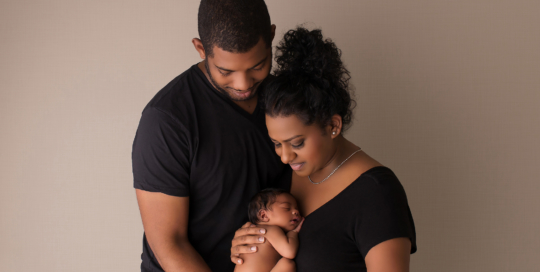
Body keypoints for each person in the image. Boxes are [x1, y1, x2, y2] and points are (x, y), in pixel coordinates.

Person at [231, 27, 417, 271]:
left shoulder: (376, 194)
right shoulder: (281, 179)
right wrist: (247, 245)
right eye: (277, 143)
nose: (285, 157)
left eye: (297, 143)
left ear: (333, 125)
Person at [131, 1, 290, 271]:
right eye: (226, 71)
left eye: (257, 66)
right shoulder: (167, 120)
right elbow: (170, 243)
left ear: (272, 36)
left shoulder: (287, 102)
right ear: (201, 49)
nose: (244, 84)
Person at [234, 189, 304, 272]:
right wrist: (293, 233)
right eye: (287, 208)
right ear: (263, 215)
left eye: (297, 209)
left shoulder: (253, 234)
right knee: (287, 263)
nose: (296, 211)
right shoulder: (269, 230)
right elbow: (289, 252)